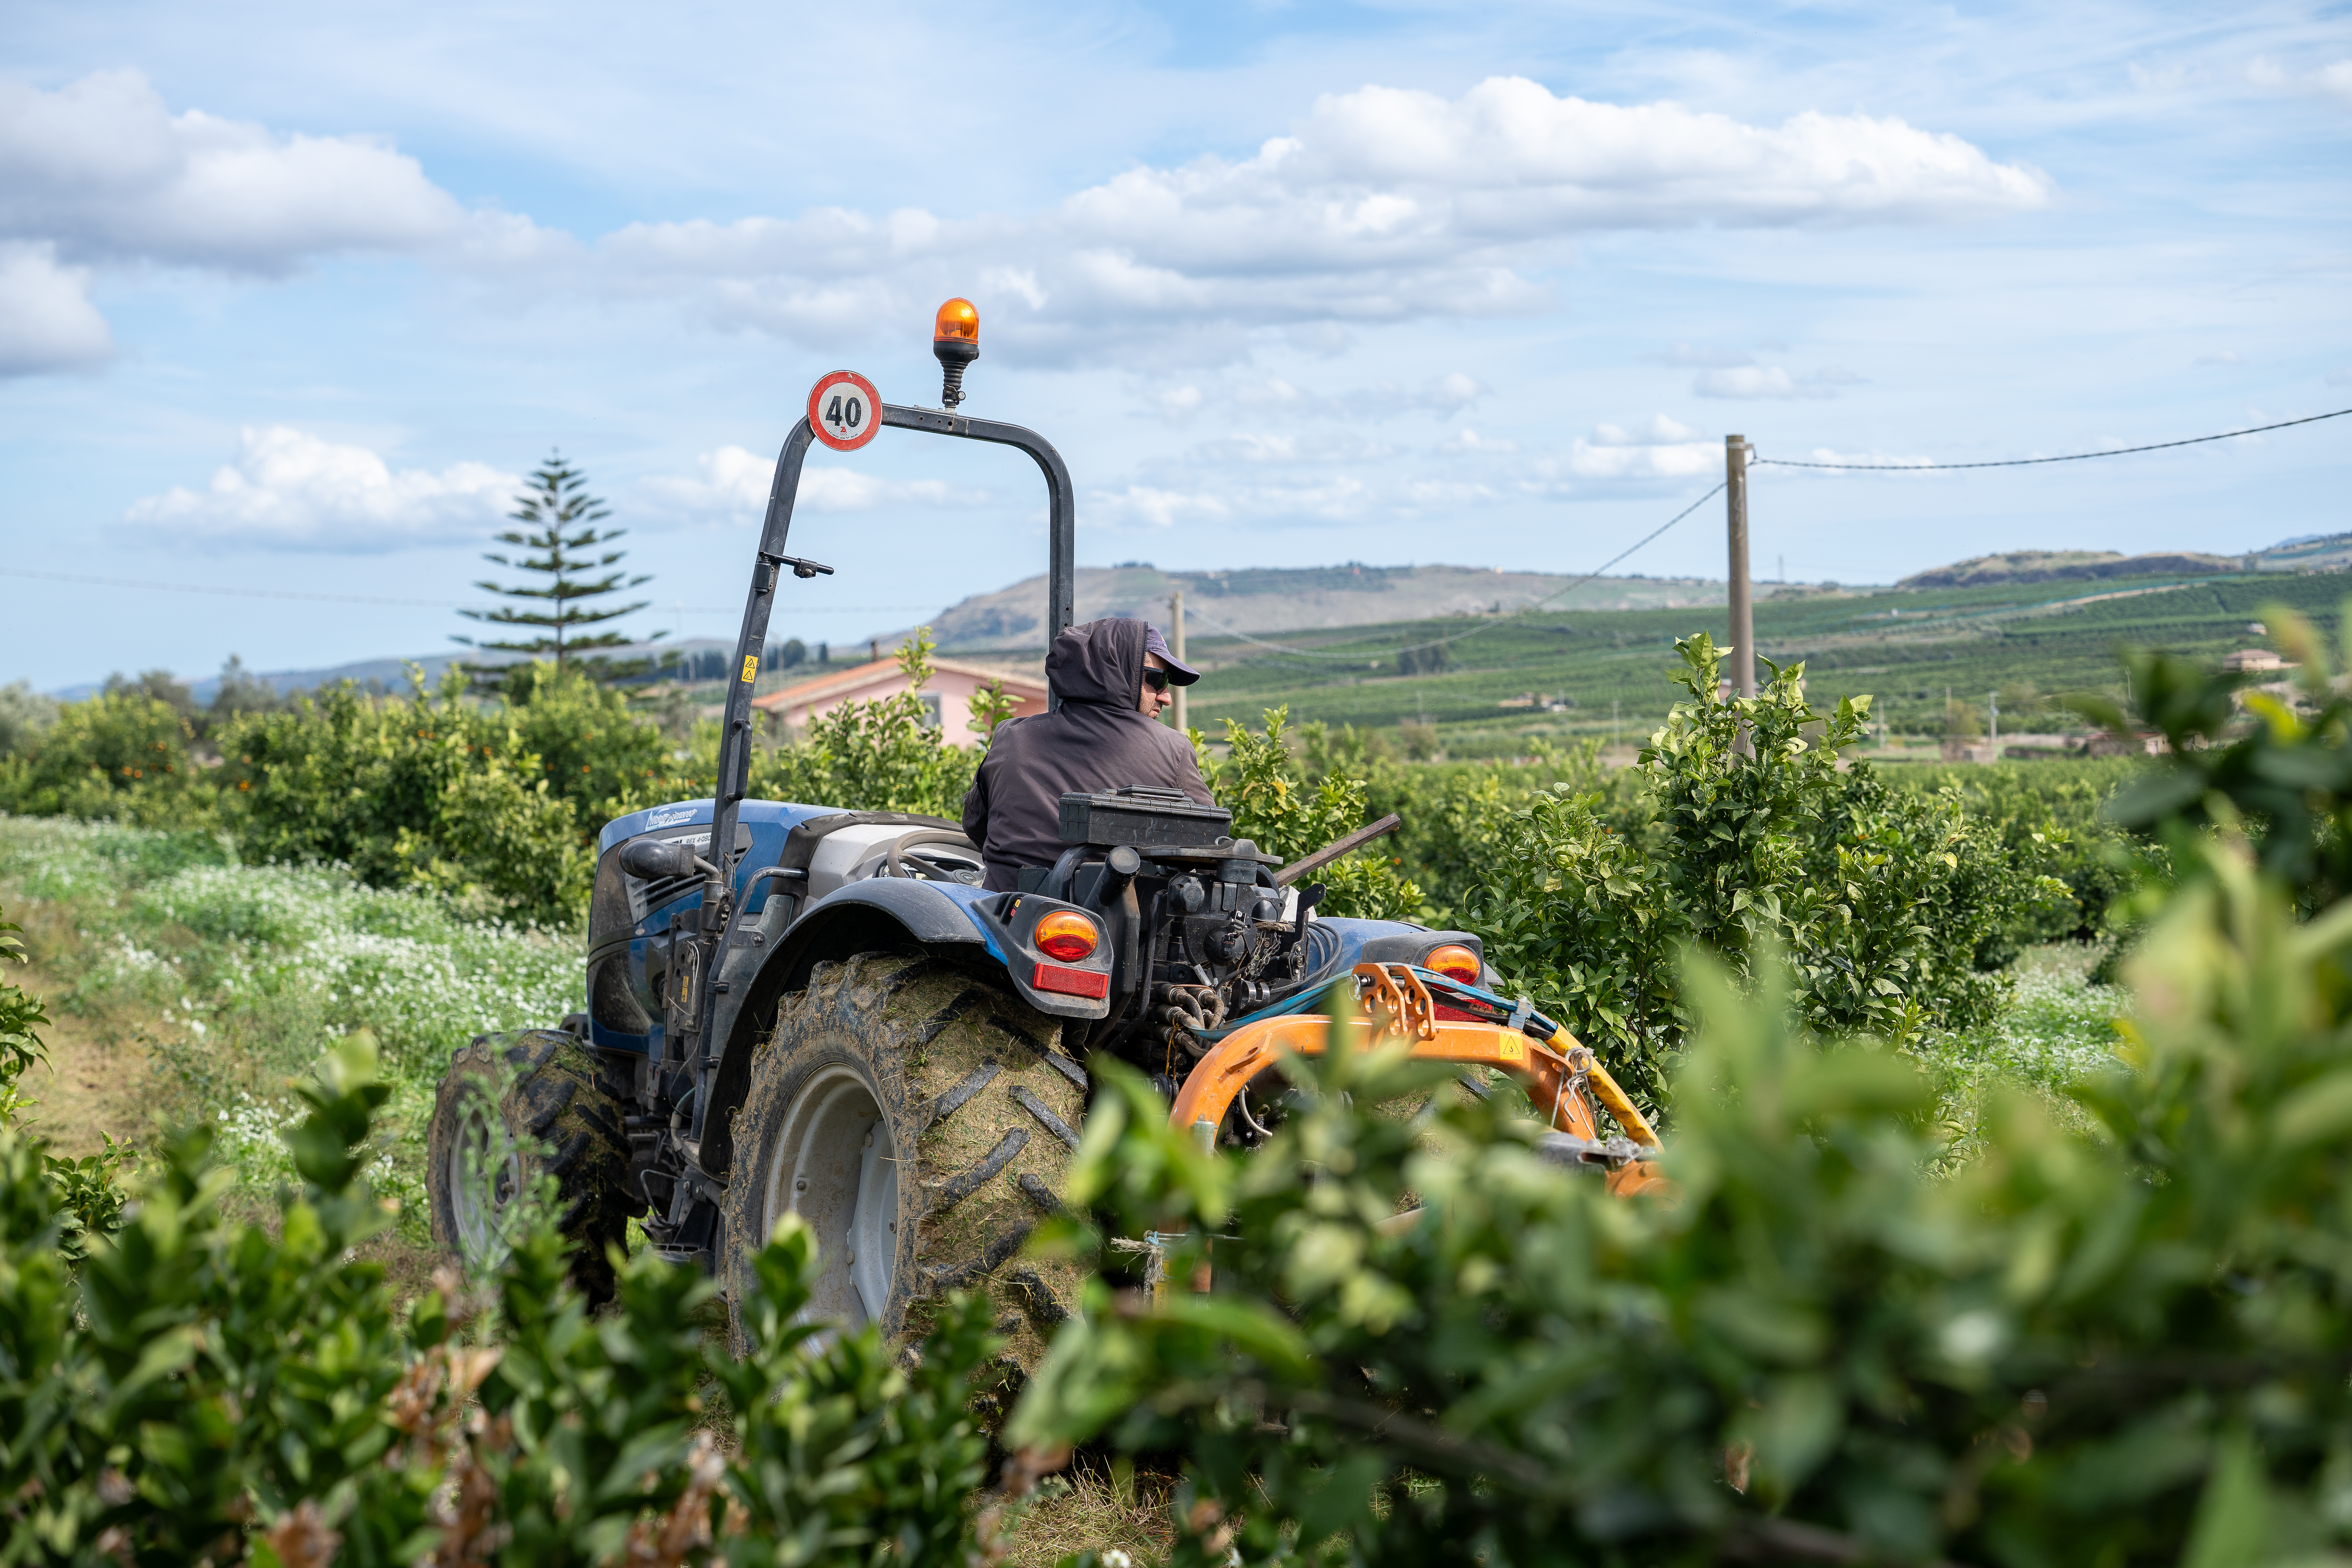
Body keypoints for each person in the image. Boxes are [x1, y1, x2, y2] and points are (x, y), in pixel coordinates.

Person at [962, 616, 1210, 892]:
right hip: (1115, 927)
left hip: (1006, 915)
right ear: (1119, 673)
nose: (1167, 697)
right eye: (1158, 679)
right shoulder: (1174, 748)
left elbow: (975, 826)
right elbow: (1210, 848)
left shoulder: (1010, 736)